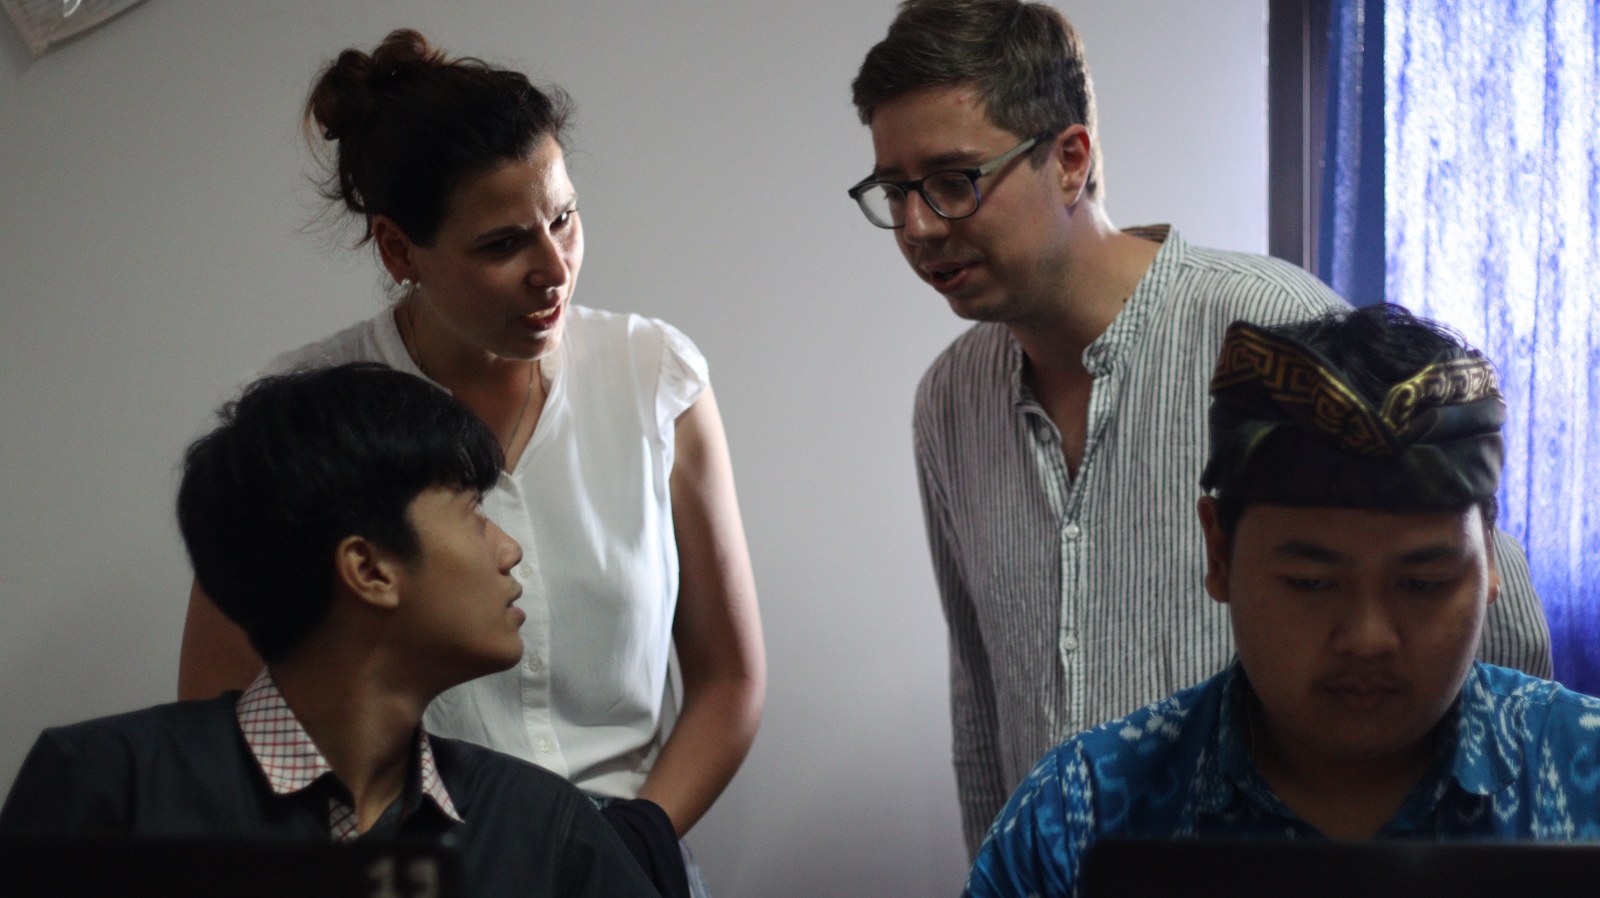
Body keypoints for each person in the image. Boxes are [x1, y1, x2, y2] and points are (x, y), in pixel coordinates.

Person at [846, 0, 1552, 856]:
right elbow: (982, 700)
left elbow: (1491, 632)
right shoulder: (949, 401)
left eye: (954, 180)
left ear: (1070, 160)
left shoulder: (1268, 332)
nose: (919, 226)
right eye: (896, 191)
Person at [174, 30, 764, 897]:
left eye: (564, 218)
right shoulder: (308, 417)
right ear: (397, 250)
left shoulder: (654, 377)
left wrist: (635, 837)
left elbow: (730, 676)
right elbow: (215, 717)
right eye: (501, 245)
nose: (554, 269)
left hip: (632, 856)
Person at [963, 305, 1600, 897]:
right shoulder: (1080, 813)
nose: (1368, 638)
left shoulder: (1586, 774)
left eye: (1423, 583)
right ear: (1219, 554)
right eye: (1312, 583)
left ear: (1490, 560)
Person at [0, 364, 659, 898]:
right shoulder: (110, 787)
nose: (509, 550)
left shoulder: (541, 824)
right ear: (369, 569)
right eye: (473, 512)